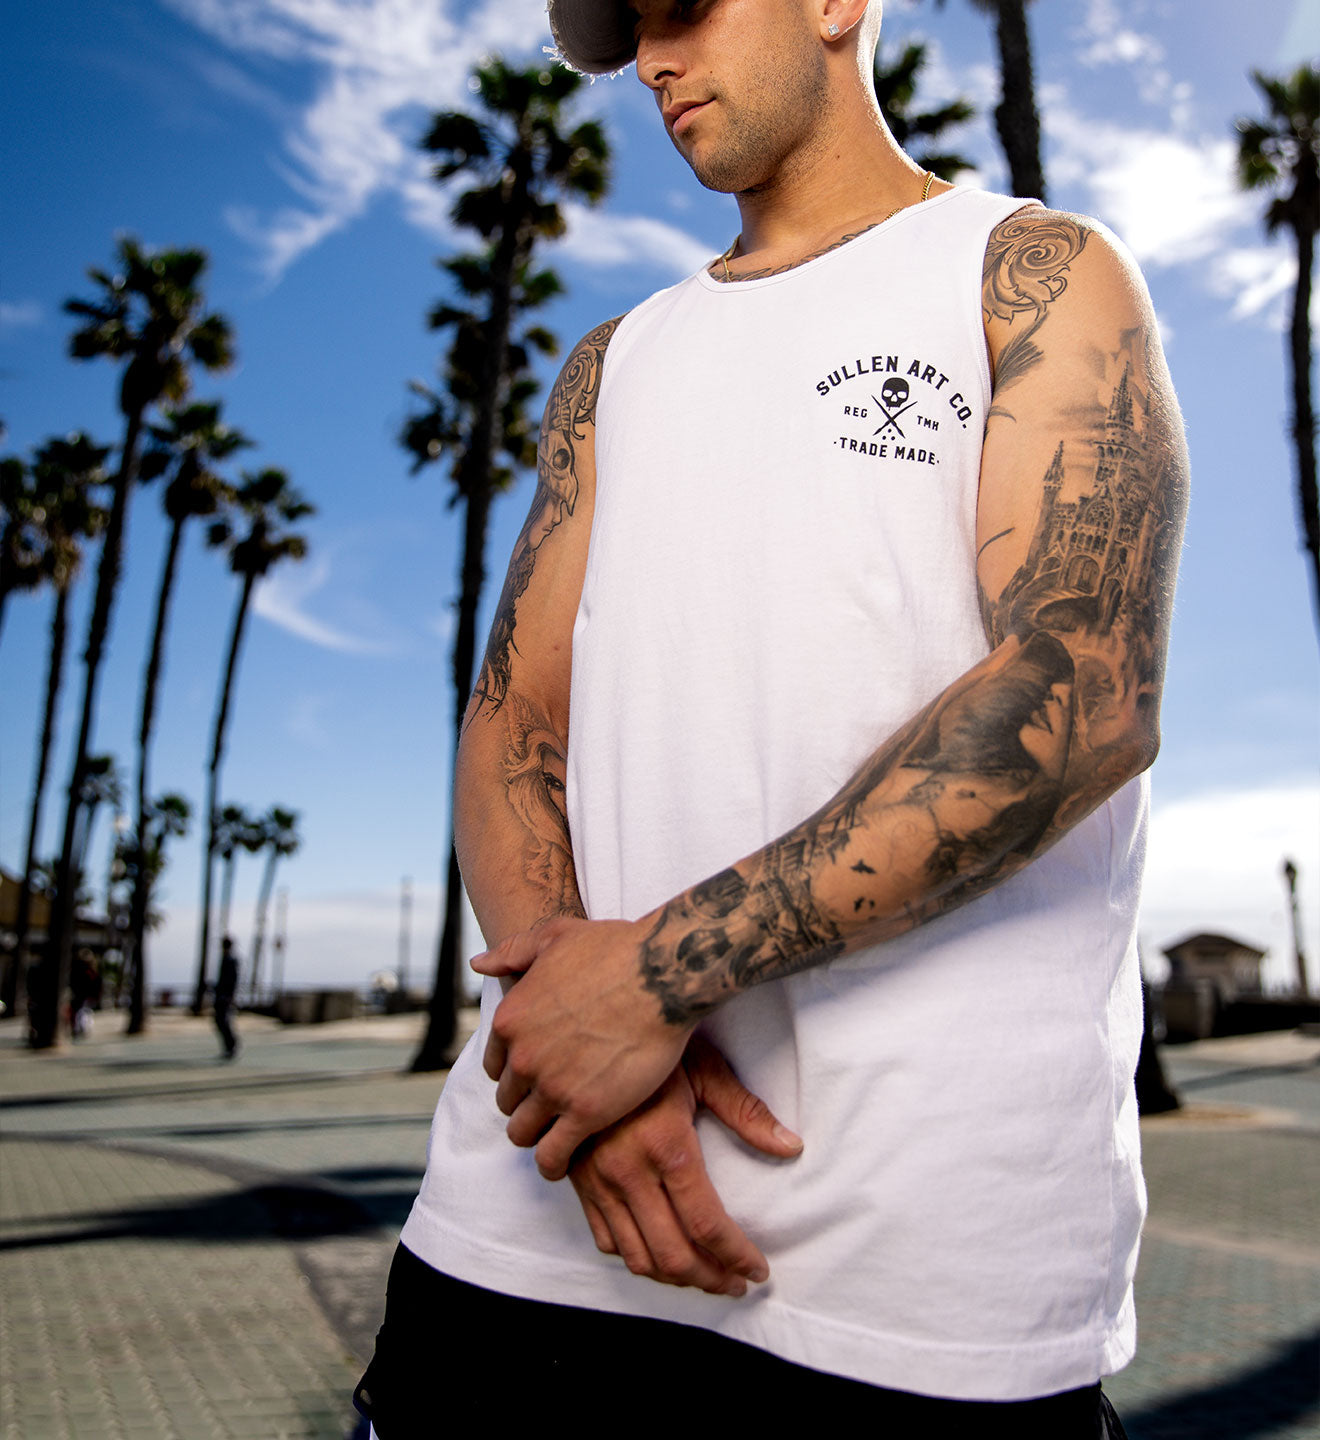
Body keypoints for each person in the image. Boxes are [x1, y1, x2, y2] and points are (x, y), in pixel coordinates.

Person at [355, 1, 1187, 1434]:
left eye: (680, 9)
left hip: (915, 1279)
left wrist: (650, 983)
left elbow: (1083, 688)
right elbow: (513, 723)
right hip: (536, 1205)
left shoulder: (1028, 273)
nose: (652, 62)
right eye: (624, 35)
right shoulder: (614, 364)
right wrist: (585, 1050)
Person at [214, 936, 240, 1060]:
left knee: (223, 1021)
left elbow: (232, 979)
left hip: (225, 996)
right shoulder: (226, 958)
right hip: (221, 995)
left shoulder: (231, 960)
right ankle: (229, 1045)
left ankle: (232, 1045)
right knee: (220, 1021)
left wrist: (229, 995)